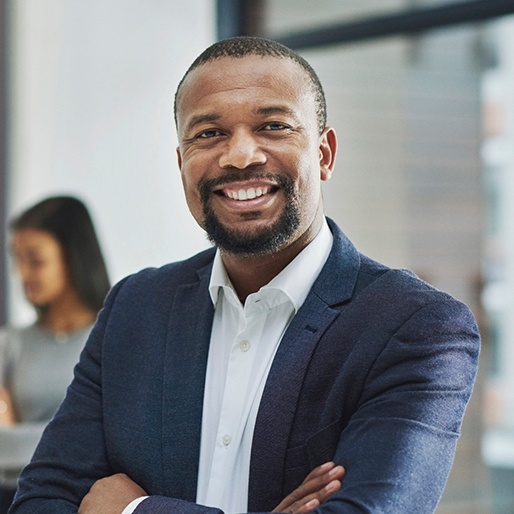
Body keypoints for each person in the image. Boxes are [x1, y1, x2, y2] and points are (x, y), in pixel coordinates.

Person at [9, 37, 479, 514]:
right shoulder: (135, 307)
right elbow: (40, 502)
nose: (239, 156)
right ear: (181, 165)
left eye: (273, 126)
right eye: (209, 133)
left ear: (325, 154)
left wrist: (134, 510)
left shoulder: (417, 326)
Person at [0, 196, 110, 513]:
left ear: (73, 258)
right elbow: (84, 445)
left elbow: (107, 445)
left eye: (35, 260)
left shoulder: (112, 339)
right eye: (16, 260)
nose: (22, 273)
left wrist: (15, 432)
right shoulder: (11, 344)